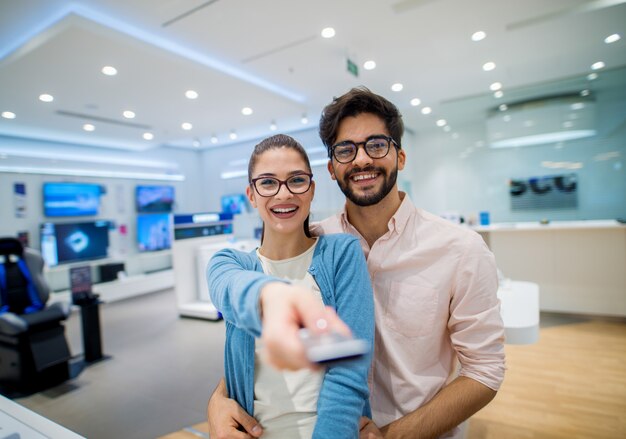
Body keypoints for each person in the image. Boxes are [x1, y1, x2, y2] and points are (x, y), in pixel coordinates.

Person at [208, 87, 505, 439]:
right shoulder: (320, 245)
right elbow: (258, 343)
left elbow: (485, 370)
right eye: (346, 150)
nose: (362, 160)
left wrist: (392, 435)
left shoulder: (460, 249)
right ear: (332, 168)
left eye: (376, 145)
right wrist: (217, 400)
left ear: (401, 156)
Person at [207, 134, 375, 439]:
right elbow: (228, 287)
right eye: (268, 183)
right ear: (251, 194)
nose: (283, 194)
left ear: (311, 190)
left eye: (296, 180)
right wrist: (270, 295)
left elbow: (349, 375)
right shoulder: (231, 262)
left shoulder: (341, 253)